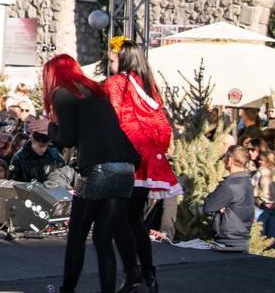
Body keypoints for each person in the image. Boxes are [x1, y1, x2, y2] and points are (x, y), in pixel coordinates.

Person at [27, 54, 139, 293]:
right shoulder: (97, 90)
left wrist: (49, 127)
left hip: (98, 168)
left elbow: (67, 139)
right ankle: (125, 282)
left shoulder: (62, 93)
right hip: (125, 167)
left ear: (52, 76)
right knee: (103, 238)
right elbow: (89, 129)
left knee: (77, 234)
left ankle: (68, 289)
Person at [104, 38, 181, 293]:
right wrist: (156, 154)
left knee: (117, 219)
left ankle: (133, 274)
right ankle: (148, 274)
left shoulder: (116, 83)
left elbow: (114, 118)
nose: (110, 65)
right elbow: (164, 128)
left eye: (112, 60)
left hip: (126, 156)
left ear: (123, 59)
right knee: (132, 217)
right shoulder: (148, 86)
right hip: (149, 159)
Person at [202, 145, 254, 252]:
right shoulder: (247, 181)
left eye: (225, 157)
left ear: (230, 160)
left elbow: (208, 207)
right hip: (242, 237)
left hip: (228, 241)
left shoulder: (229, 185)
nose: (223, 160)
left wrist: (218, 207)